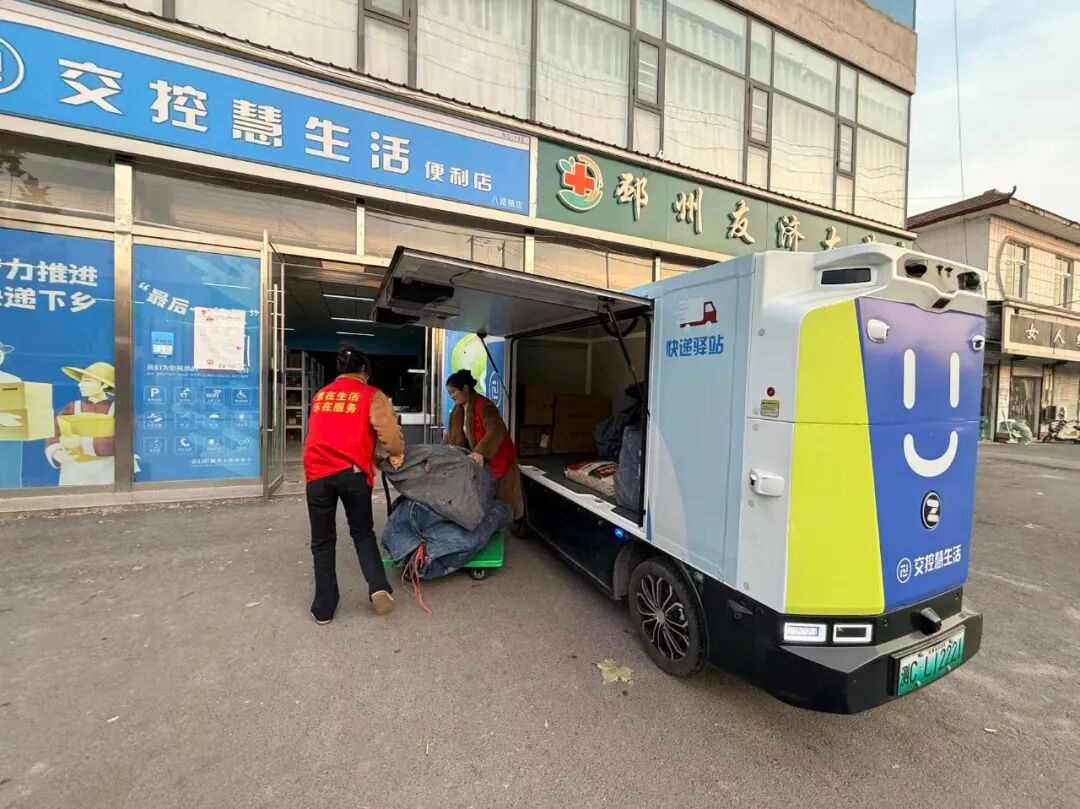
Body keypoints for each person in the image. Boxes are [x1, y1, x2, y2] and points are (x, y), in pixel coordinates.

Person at [303, 344, 405, 624]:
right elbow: (390, 436)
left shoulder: (321, 395)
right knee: (362, 533)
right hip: (353, 473)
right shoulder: (371, 395)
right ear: (364, 370)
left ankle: (323, 607)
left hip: (317, 475)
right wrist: (395, 453)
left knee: (322, 541)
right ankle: (379, 587)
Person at [444, 369, 524, 524]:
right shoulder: (457, 410)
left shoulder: (484, 405)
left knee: (503, 501)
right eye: (449, 393)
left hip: (499, 459)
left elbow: (496, 429)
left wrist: (481, 451)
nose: (451, 396)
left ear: (465, 388)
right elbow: (451, 436)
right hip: (479, 463)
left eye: (453, 392)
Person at [44, 361, 116, 487]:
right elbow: (54, 432)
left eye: (87, 381)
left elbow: (123, 441)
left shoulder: (118, 410)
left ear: (104, 384)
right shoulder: (71, 407)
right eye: (81, 381)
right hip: (73, 471)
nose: (80, 385)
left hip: (107, 471)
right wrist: (56, 452)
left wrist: (81, 442)